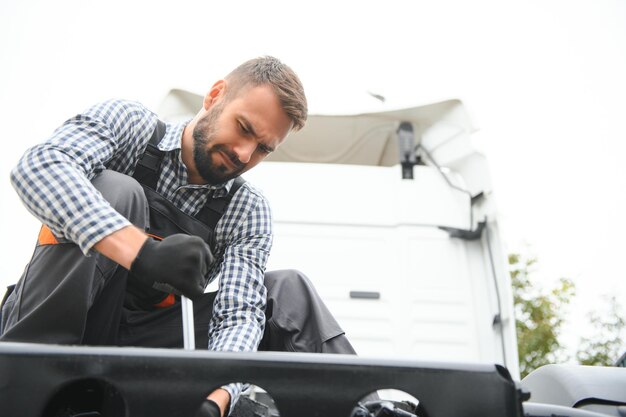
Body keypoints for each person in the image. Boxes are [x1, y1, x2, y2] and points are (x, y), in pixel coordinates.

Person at [0, 56, 356, 417]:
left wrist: (214, 399)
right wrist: (139, 251)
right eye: (244, 128)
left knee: (287, 291)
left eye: (263, 148)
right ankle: (33, 378)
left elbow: (238, 317)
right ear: (215, 95)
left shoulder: (247, 211)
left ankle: (373, 404)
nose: (245, 154)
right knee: (119, 190)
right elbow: (39, 167)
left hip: (140, 346)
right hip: (54, 329)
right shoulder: (131, 125)